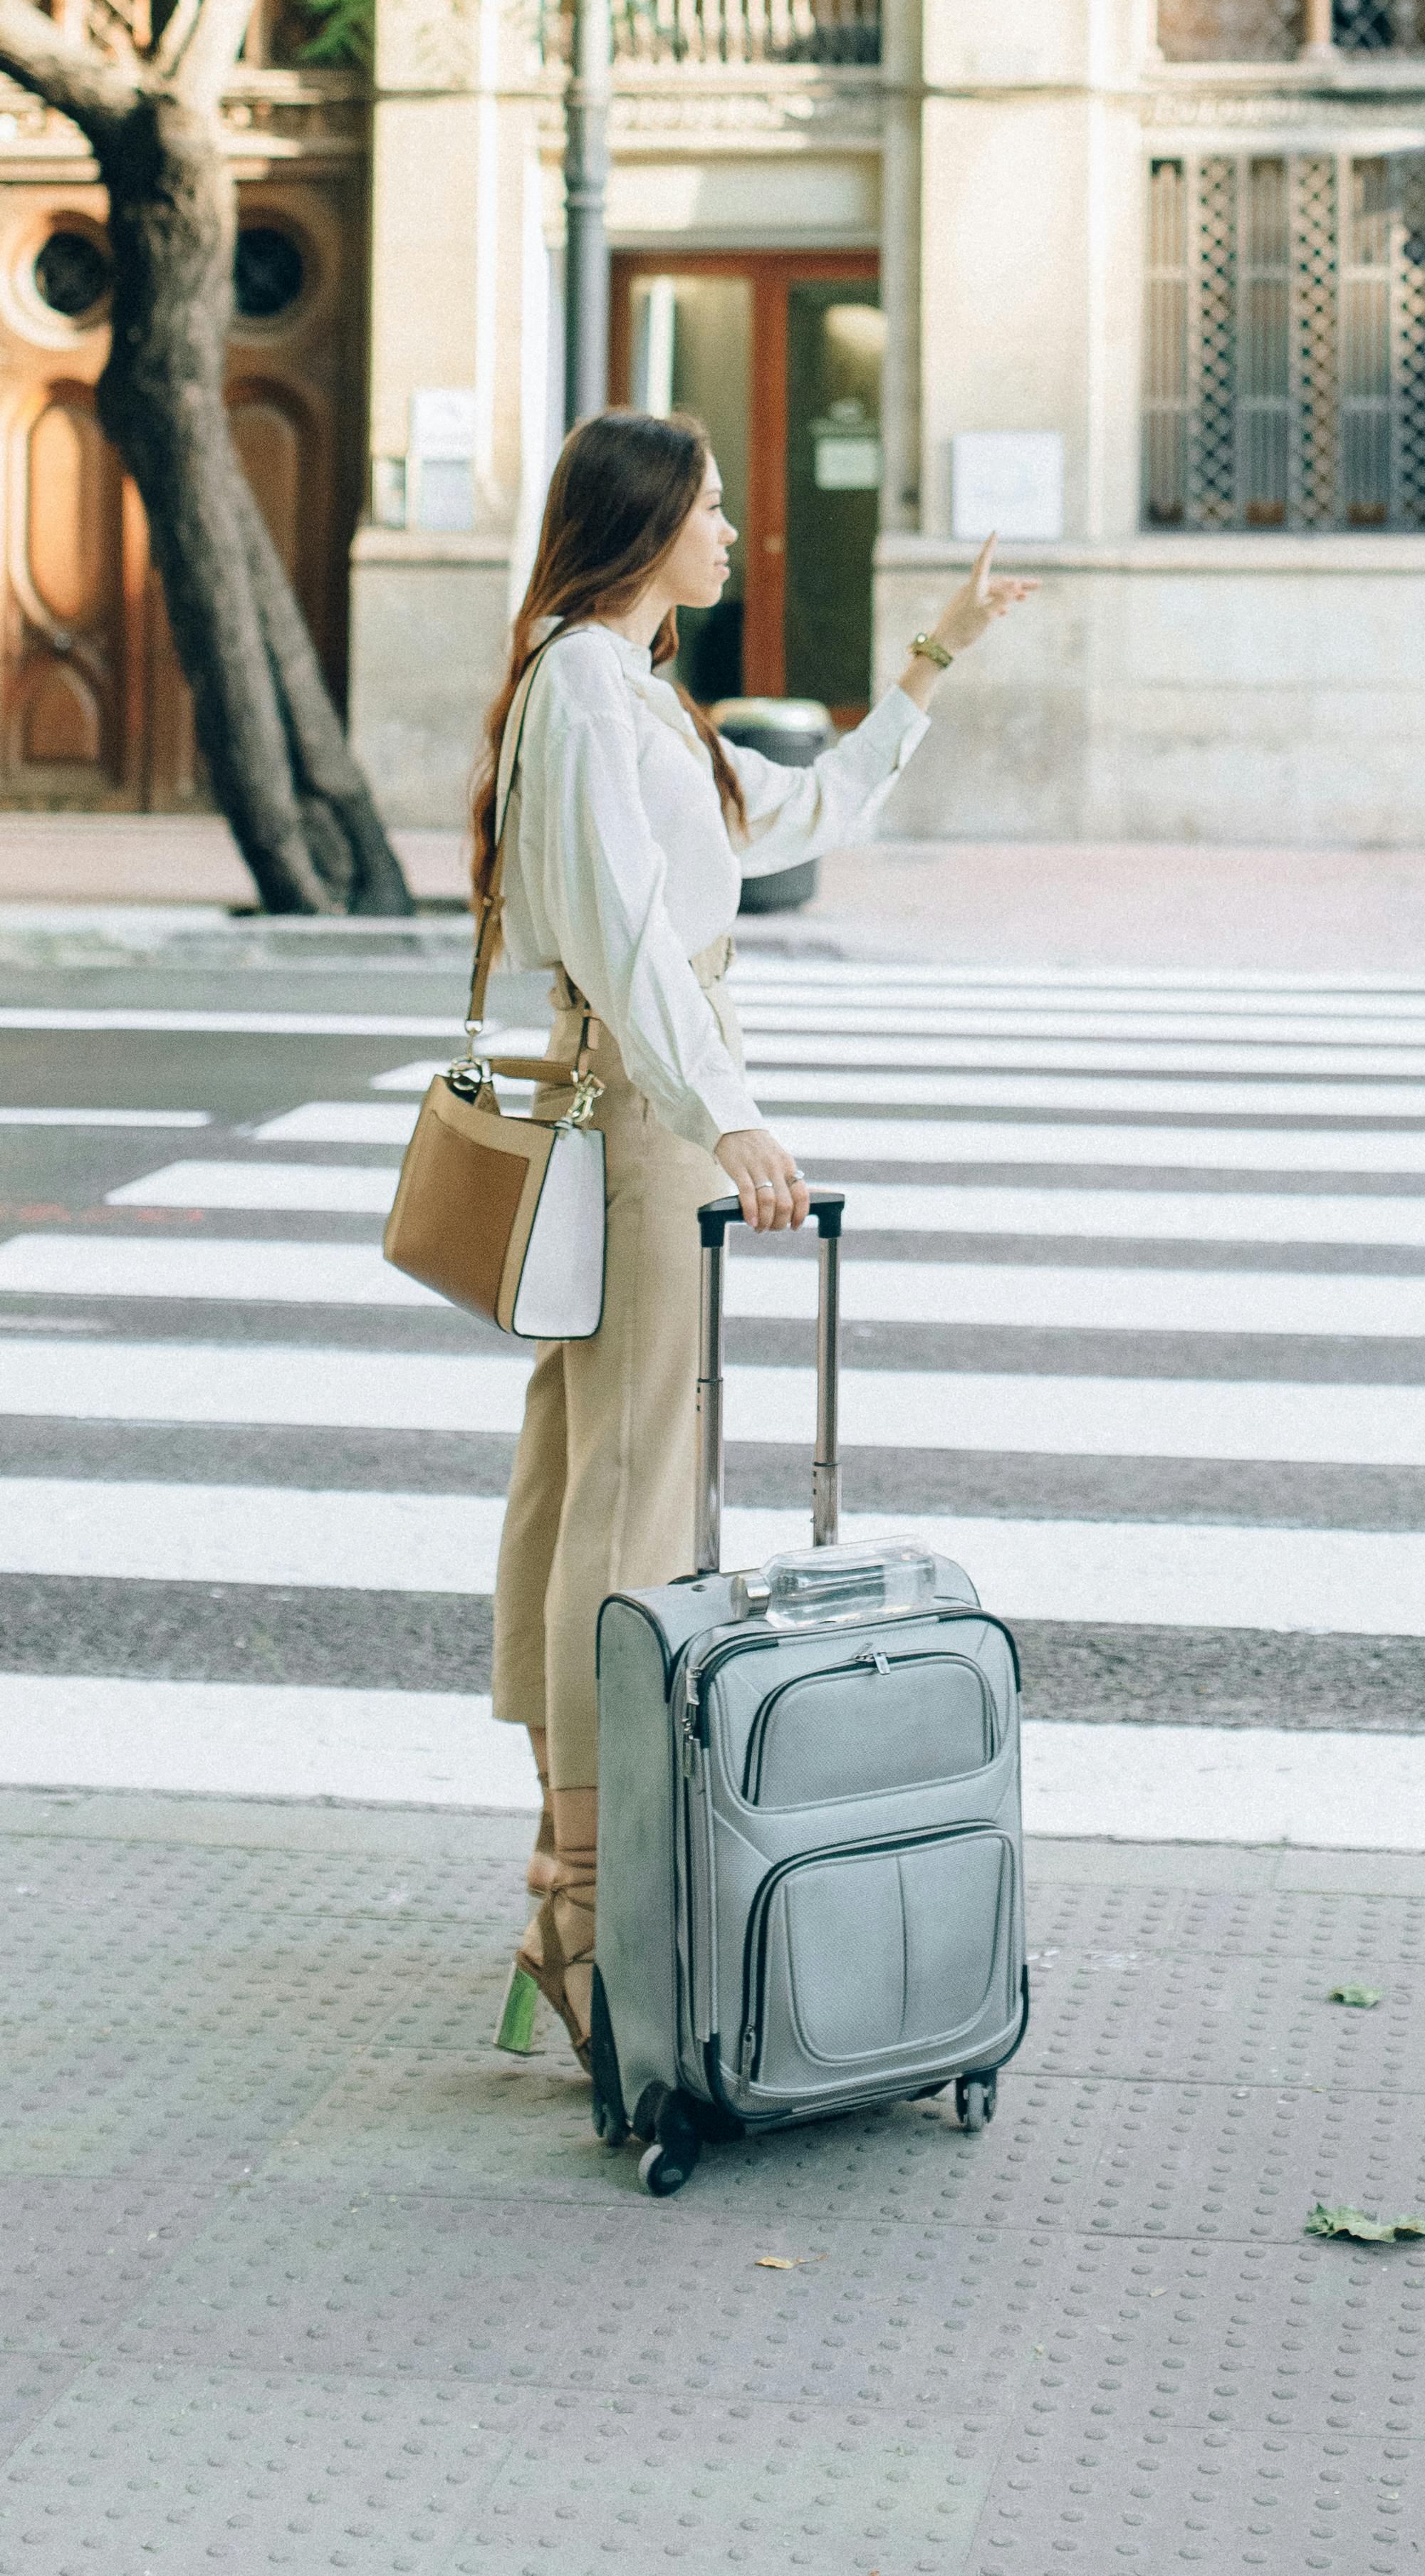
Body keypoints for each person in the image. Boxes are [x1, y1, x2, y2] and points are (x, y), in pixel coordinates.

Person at [471, 402, 1036, 2067]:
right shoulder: (583, 687)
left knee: (593, 1480)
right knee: (627, 1500)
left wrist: (934, 655)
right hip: (645, 1114)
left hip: (649, 1104)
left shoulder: (632, 690)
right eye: (710, 508)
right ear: (644, 527)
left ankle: (568, 1890)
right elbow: (637, 943)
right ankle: (584, 1904)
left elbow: (795, 819)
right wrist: (726, 1113)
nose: (731, 533)